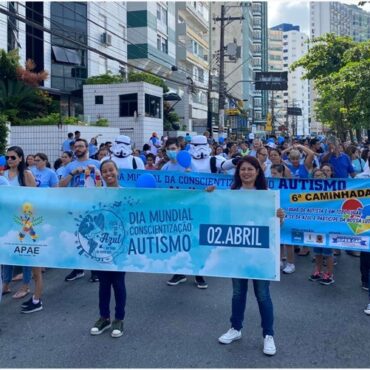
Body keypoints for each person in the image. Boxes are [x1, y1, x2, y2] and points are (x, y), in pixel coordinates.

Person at [218, 156, 284, 356]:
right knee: (238, 293)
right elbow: (218, 215)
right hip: (237, 252)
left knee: (262, 294)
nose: (246, 172)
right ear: (238, 173)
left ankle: (268, 335)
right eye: (242, 169)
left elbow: (275, 226)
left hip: (261, 254)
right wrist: (209, 195)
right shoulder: (230, 194)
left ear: (257, 172)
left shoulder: (267, 195)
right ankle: (235, 328)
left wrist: (280, 217)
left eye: (250, 169)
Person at [2, 146, 44, 313]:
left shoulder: (26, 175)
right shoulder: (3, 175)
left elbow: (34, 199)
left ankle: (30, 290)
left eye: (13, 157)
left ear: (20, 158)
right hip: (6, 221)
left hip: (24, 222)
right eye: (7, 158)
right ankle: (5, 284)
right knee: (7, 254)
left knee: (29, 257)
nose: (9, 160)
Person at [90, 160, 127, 338]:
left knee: (118, 284)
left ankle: (119, 319)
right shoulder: (97, 194)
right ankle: (104, 317)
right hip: (101, 247)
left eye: (111, 170)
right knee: (103, 284)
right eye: (104, 171)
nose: (108, 174)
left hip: (120, 246)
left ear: (117, 171)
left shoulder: (128, 193)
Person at [59, 138, 101, 282]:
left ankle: (95, 271)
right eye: (75, 147)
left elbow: (105, 184)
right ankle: (78, 269)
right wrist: (73, 174)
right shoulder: (70, 166)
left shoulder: (97, 164)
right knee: (75, 239)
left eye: (81, 146)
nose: (78, 148)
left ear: (87, 148)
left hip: (92, 207)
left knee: (93, 237)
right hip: (75, 208)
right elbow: (61, 186)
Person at [308, 168, 335, 286]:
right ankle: (318, 270)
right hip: (315, 225)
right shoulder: (310, 190)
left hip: (327, 225)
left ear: (325, 177)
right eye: (316, 175)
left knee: (327, 251)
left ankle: (329, 274)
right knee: (317, 251)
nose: (318, 177)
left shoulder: (332, 189)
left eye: (321, 175)